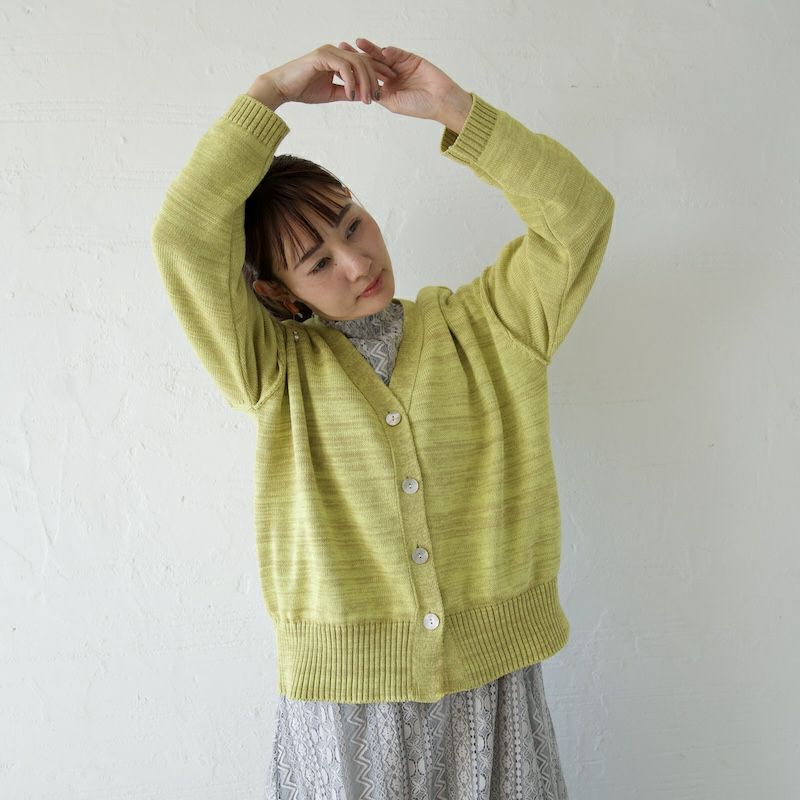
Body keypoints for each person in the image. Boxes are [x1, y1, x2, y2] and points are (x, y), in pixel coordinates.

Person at [150, 39, 615, 799]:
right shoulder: (273, 372)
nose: (357, 262)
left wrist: (455, 111)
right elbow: (182, 237)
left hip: (492, 690)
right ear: (276, 294)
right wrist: (271, 92)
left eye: (352, 225)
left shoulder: (492, 326)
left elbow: (579, 216)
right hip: (346, 708)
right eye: (317, 262)